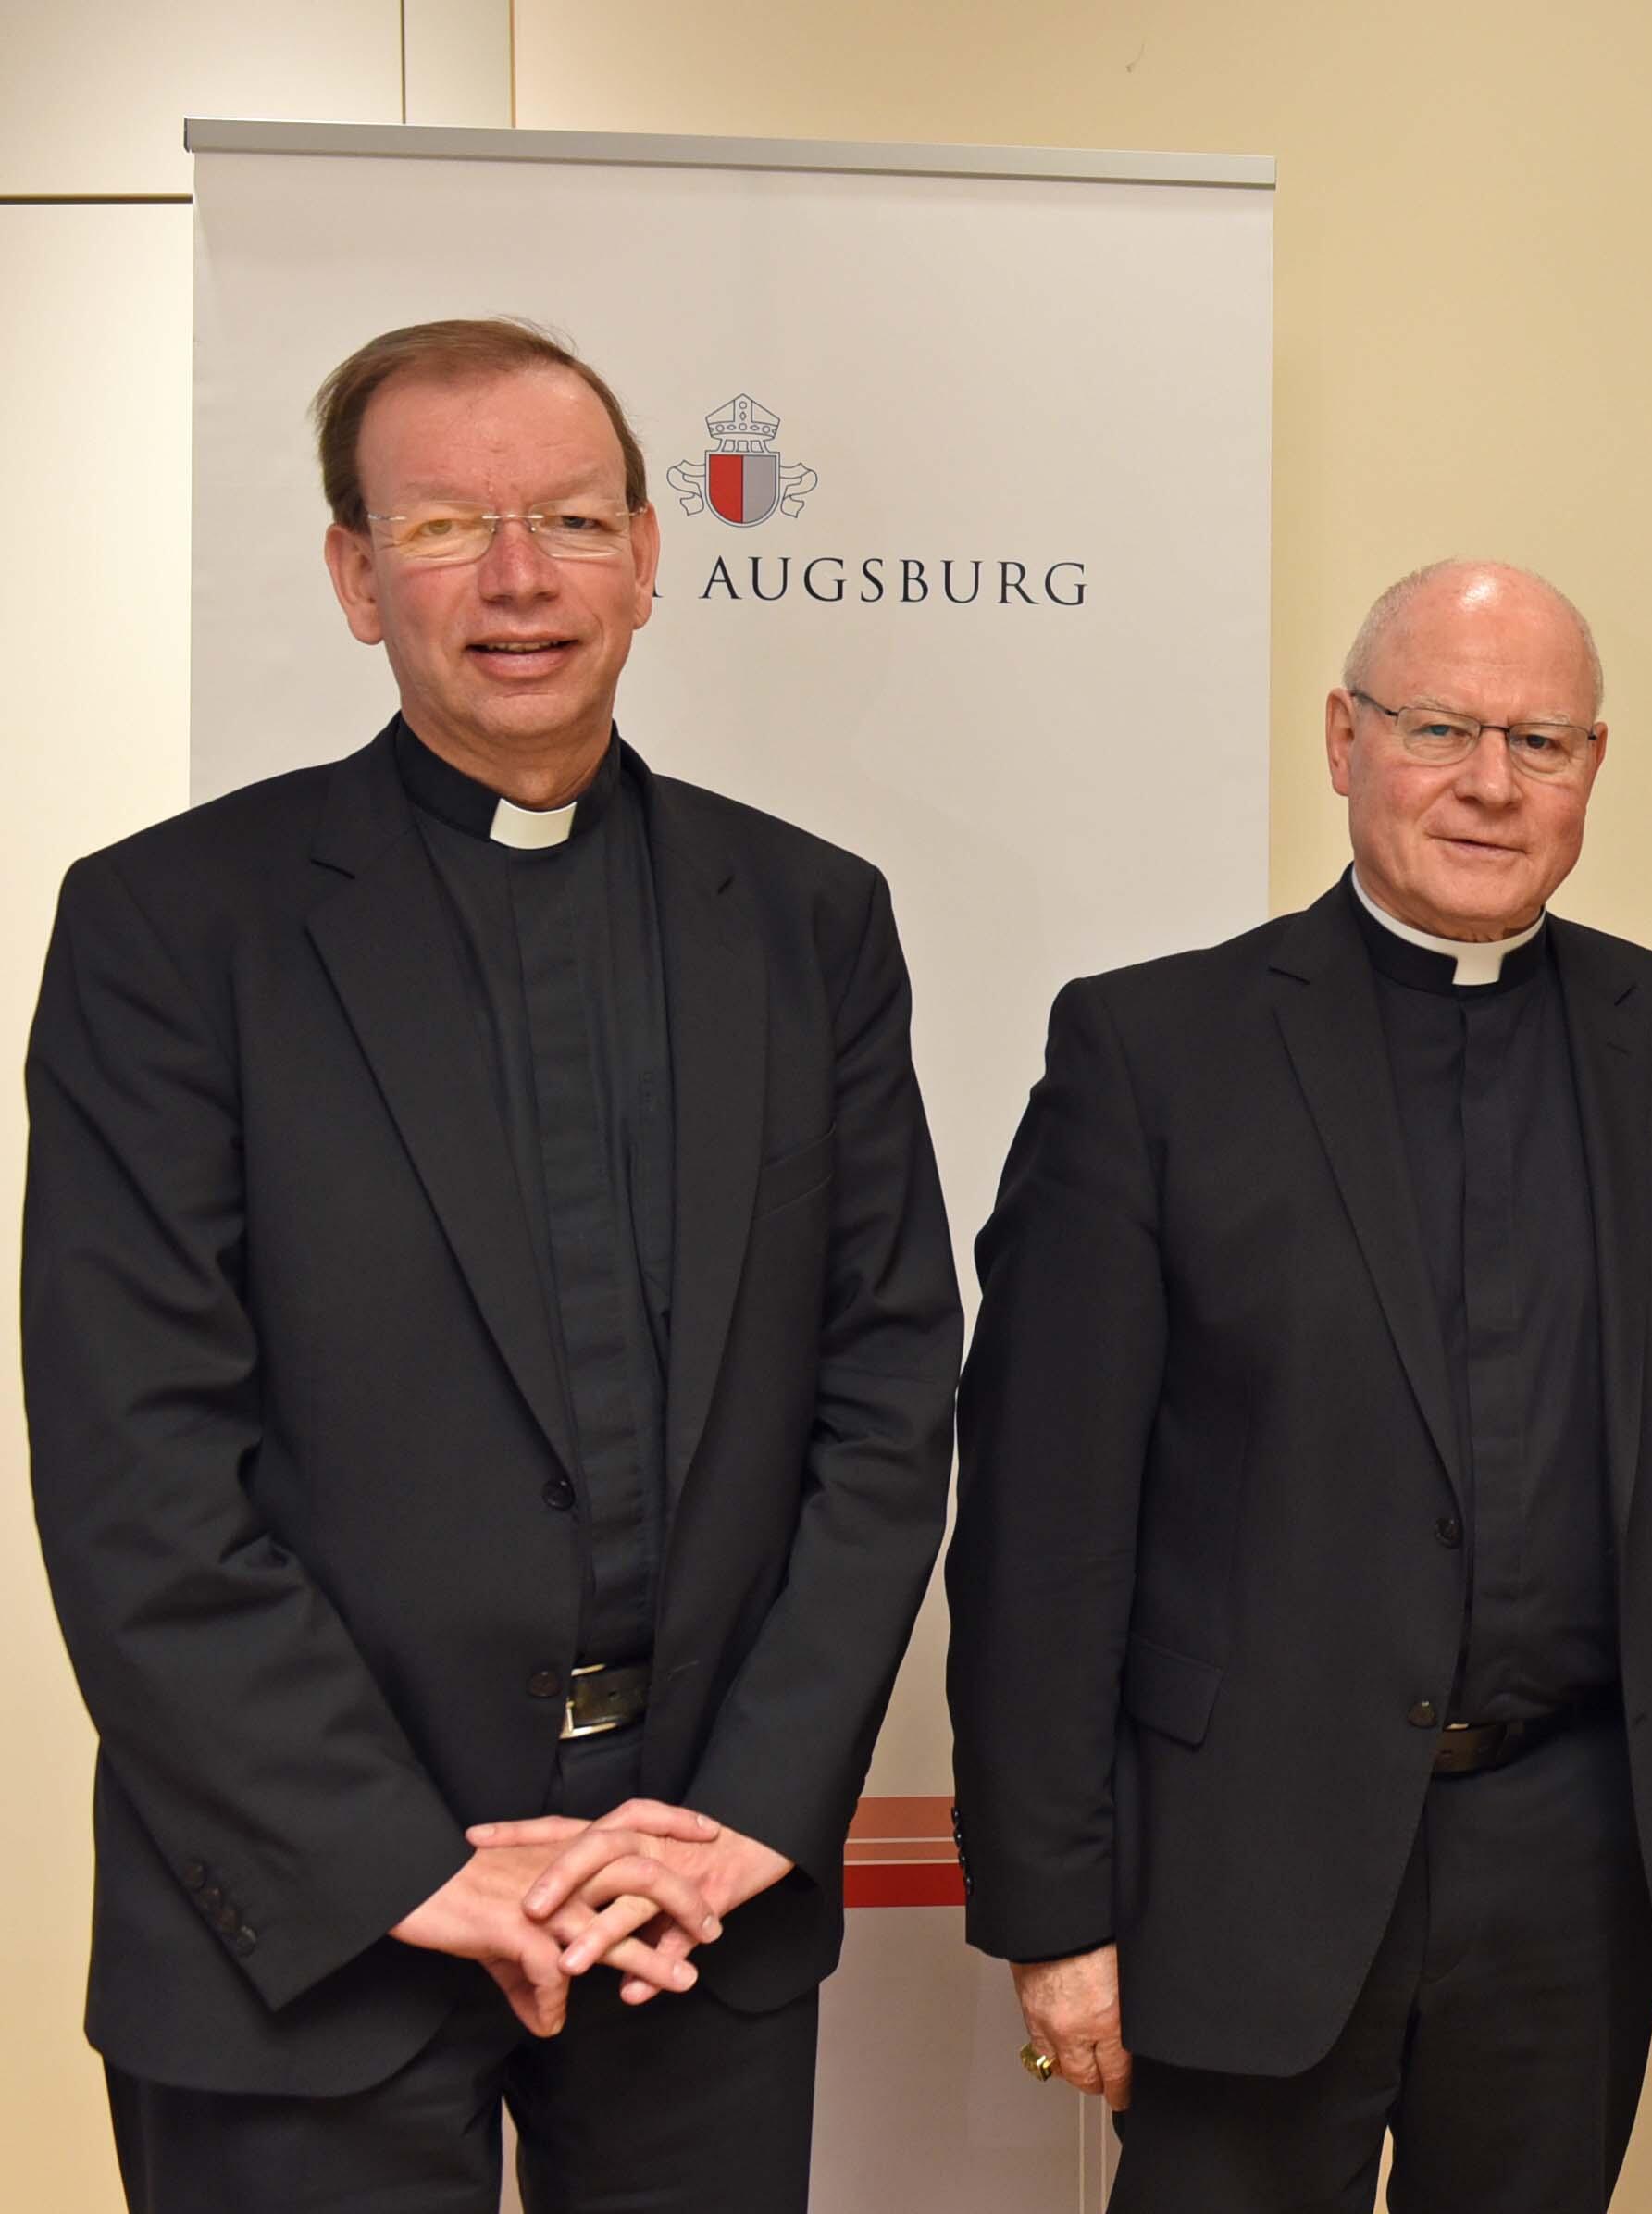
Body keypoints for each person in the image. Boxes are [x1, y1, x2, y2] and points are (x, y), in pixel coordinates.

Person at [23, 318, 962, 2212]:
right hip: (304, 1915)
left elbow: (884, 1393)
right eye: (447, 525)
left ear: (648, 552)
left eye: (568, 519)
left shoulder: (809, 918)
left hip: (686, 1902)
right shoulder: (167, 929)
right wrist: (397, 1856)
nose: (519, 579)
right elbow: (141, 1474)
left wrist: (749, 1810)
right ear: (357, 576)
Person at [946, 559, 1652, 2211]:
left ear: (1592, 768)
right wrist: (1053, 1910)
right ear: (1343, 741)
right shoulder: (1155, 1054)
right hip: (1239, 1860)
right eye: (1441, 728)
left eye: (1540, 743)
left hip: (1574, 1864)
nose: (1492, 784)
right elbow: (1042, 1528)